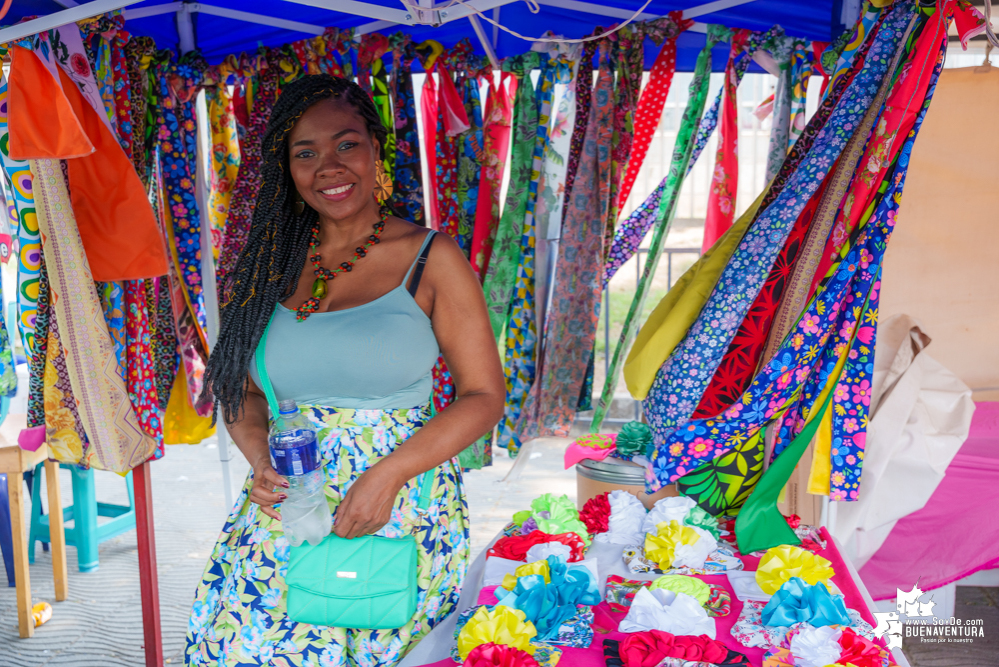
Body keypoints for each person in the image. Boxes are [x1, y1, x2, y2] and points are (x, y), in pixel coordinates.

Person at [185, 74, 505, 666]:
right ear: (287, 168)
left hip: (398, 508)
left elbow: (484, 395)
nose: (328, 166)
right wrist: (261, 463)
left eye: (346, 144)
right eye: (305, 153)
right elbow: (242, 395)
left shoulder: (430, 256)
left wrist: (386, 477)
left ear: (376, 151)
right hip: (287, 508)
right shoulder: (267, 265)